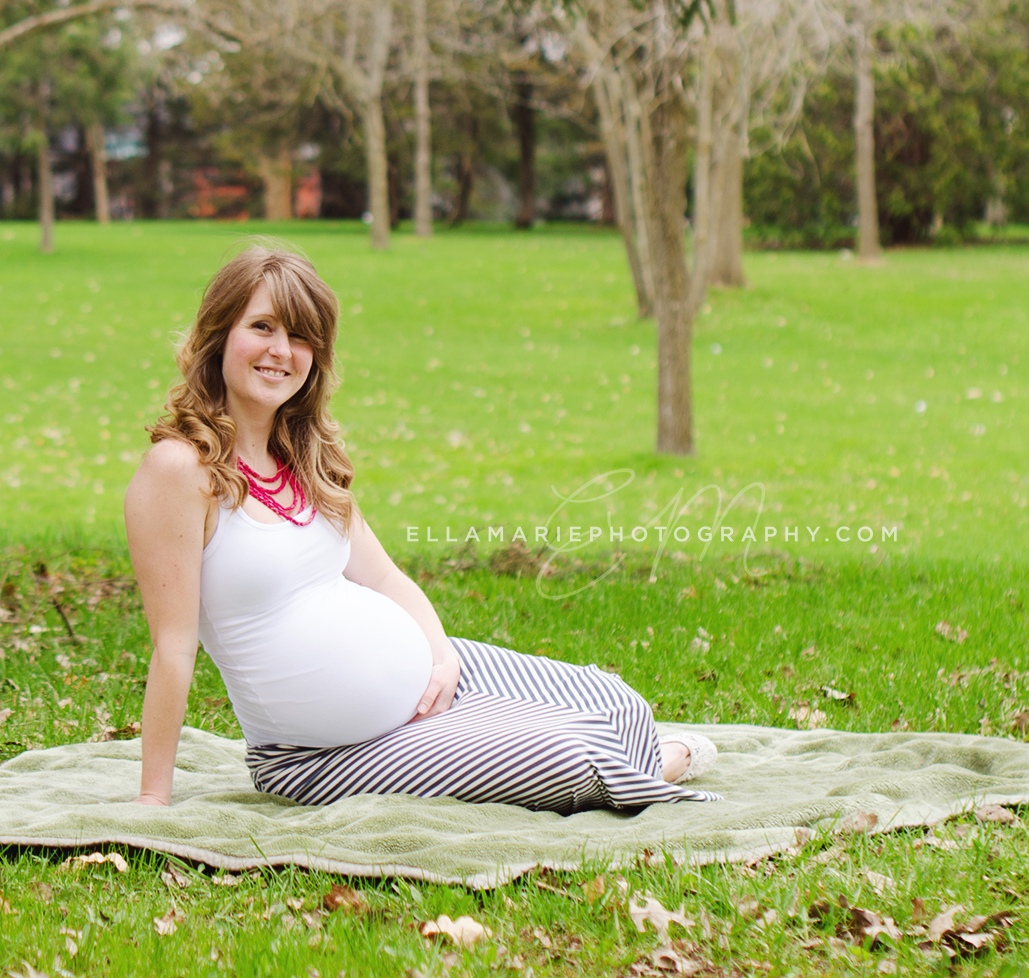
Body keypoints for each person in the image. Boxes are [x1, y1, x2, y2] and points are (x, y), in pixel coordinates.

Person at [123, 244, 718, 812]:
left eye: (302, 336)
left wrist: (440, 660)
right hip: (327, 754)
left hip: (432, 681)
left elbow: (384, 578)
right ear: (219, 335)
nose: (282, 350)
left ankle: (618, 754)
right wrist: (154, 798)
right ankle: (644, 766)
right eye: (263, 327)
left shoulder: (300, 457)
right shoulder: (181, 470)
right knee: (576, 752)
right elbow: (173, 646)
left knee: (620, 704)